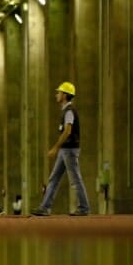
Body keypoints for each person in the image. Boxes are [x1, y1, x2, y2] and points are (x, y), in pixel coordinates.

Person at [31, 82, 90, 216]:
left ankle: (84, 208)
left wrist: (55, 148)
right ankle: (45, 207)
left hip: (69, 150)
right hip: (65, 150)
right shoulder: (65, 111)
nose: (56, 95)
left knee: (75, 179)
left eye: (59, 93)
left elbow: (68, 131)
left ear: (65, 95)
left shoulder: (69, 111)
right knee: (54, 178)